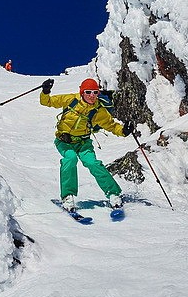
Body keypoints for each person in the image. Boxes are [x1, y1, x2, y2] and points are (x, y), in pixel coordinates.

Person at [39, 77, 136, 212]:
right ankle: (68, 196)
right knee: (70, 159)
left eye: (95, 92)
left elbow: (112, 126)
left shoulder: (98, 111)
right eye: (88, 92)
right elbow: (47, 102)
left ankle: (113, 193)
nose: (92, 96)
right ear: (82, 92)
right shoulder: (70, 99)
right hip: (64, 141)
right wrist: (46, 90)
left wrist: (124, 131)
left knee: (93, 163)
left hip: (83, 143)